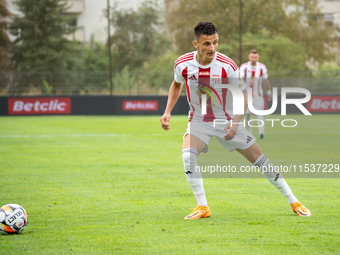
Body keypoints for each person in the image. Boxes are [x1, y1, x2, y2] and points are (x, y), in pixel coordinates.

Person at [160, 21, 311, 220]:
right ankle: (203, 207)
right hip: (199, 121)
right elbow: (176, 84)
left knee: (260, 160)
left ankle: (294, 201)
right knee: (188, 157)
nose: (212, 48)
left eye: (215, 43)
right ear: (196, 44)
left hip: (227, 120)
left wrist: (237, 122)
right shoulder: (182, 64)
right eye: (206, 44)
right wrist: (167, 111)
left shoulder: (227, 65)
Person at [240, 50, 272, 139]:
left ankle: (261, 132)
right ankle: (249, 134)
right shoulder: (244, 67)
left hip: (258, 94)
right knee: (248, 114)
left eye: (255, 57)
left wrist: (269, 92)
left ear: (258, 58)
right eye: (252, 57)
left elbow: (265, 80)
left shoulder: (262, 67)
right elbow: (241, 78)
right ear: (249, 57)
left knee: (259, 112)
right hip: (247, 94)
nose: (254, 59)